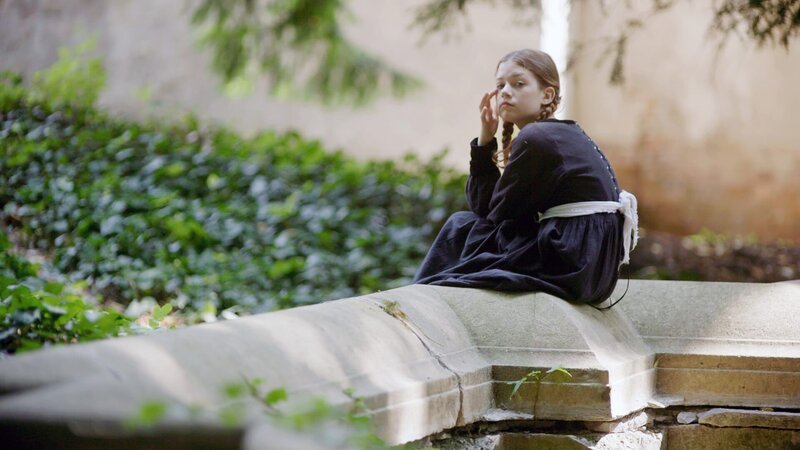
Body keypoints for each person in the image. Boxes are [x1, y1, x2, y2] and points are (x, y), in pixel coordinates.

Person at [413, 49, 638, 307]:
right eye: (500, 85)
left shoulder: (538, 138)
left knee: (461, 226)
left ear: (547, 94)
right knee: (467, 228)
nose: (506, 91)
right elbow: (497, 211)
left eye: (518, 84)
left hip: (571, 259)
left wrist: (485, 143)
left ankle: (420, 303)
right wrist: (487, 137)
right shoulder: (559, 132)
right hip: (591, 266)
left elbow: (489, 212)